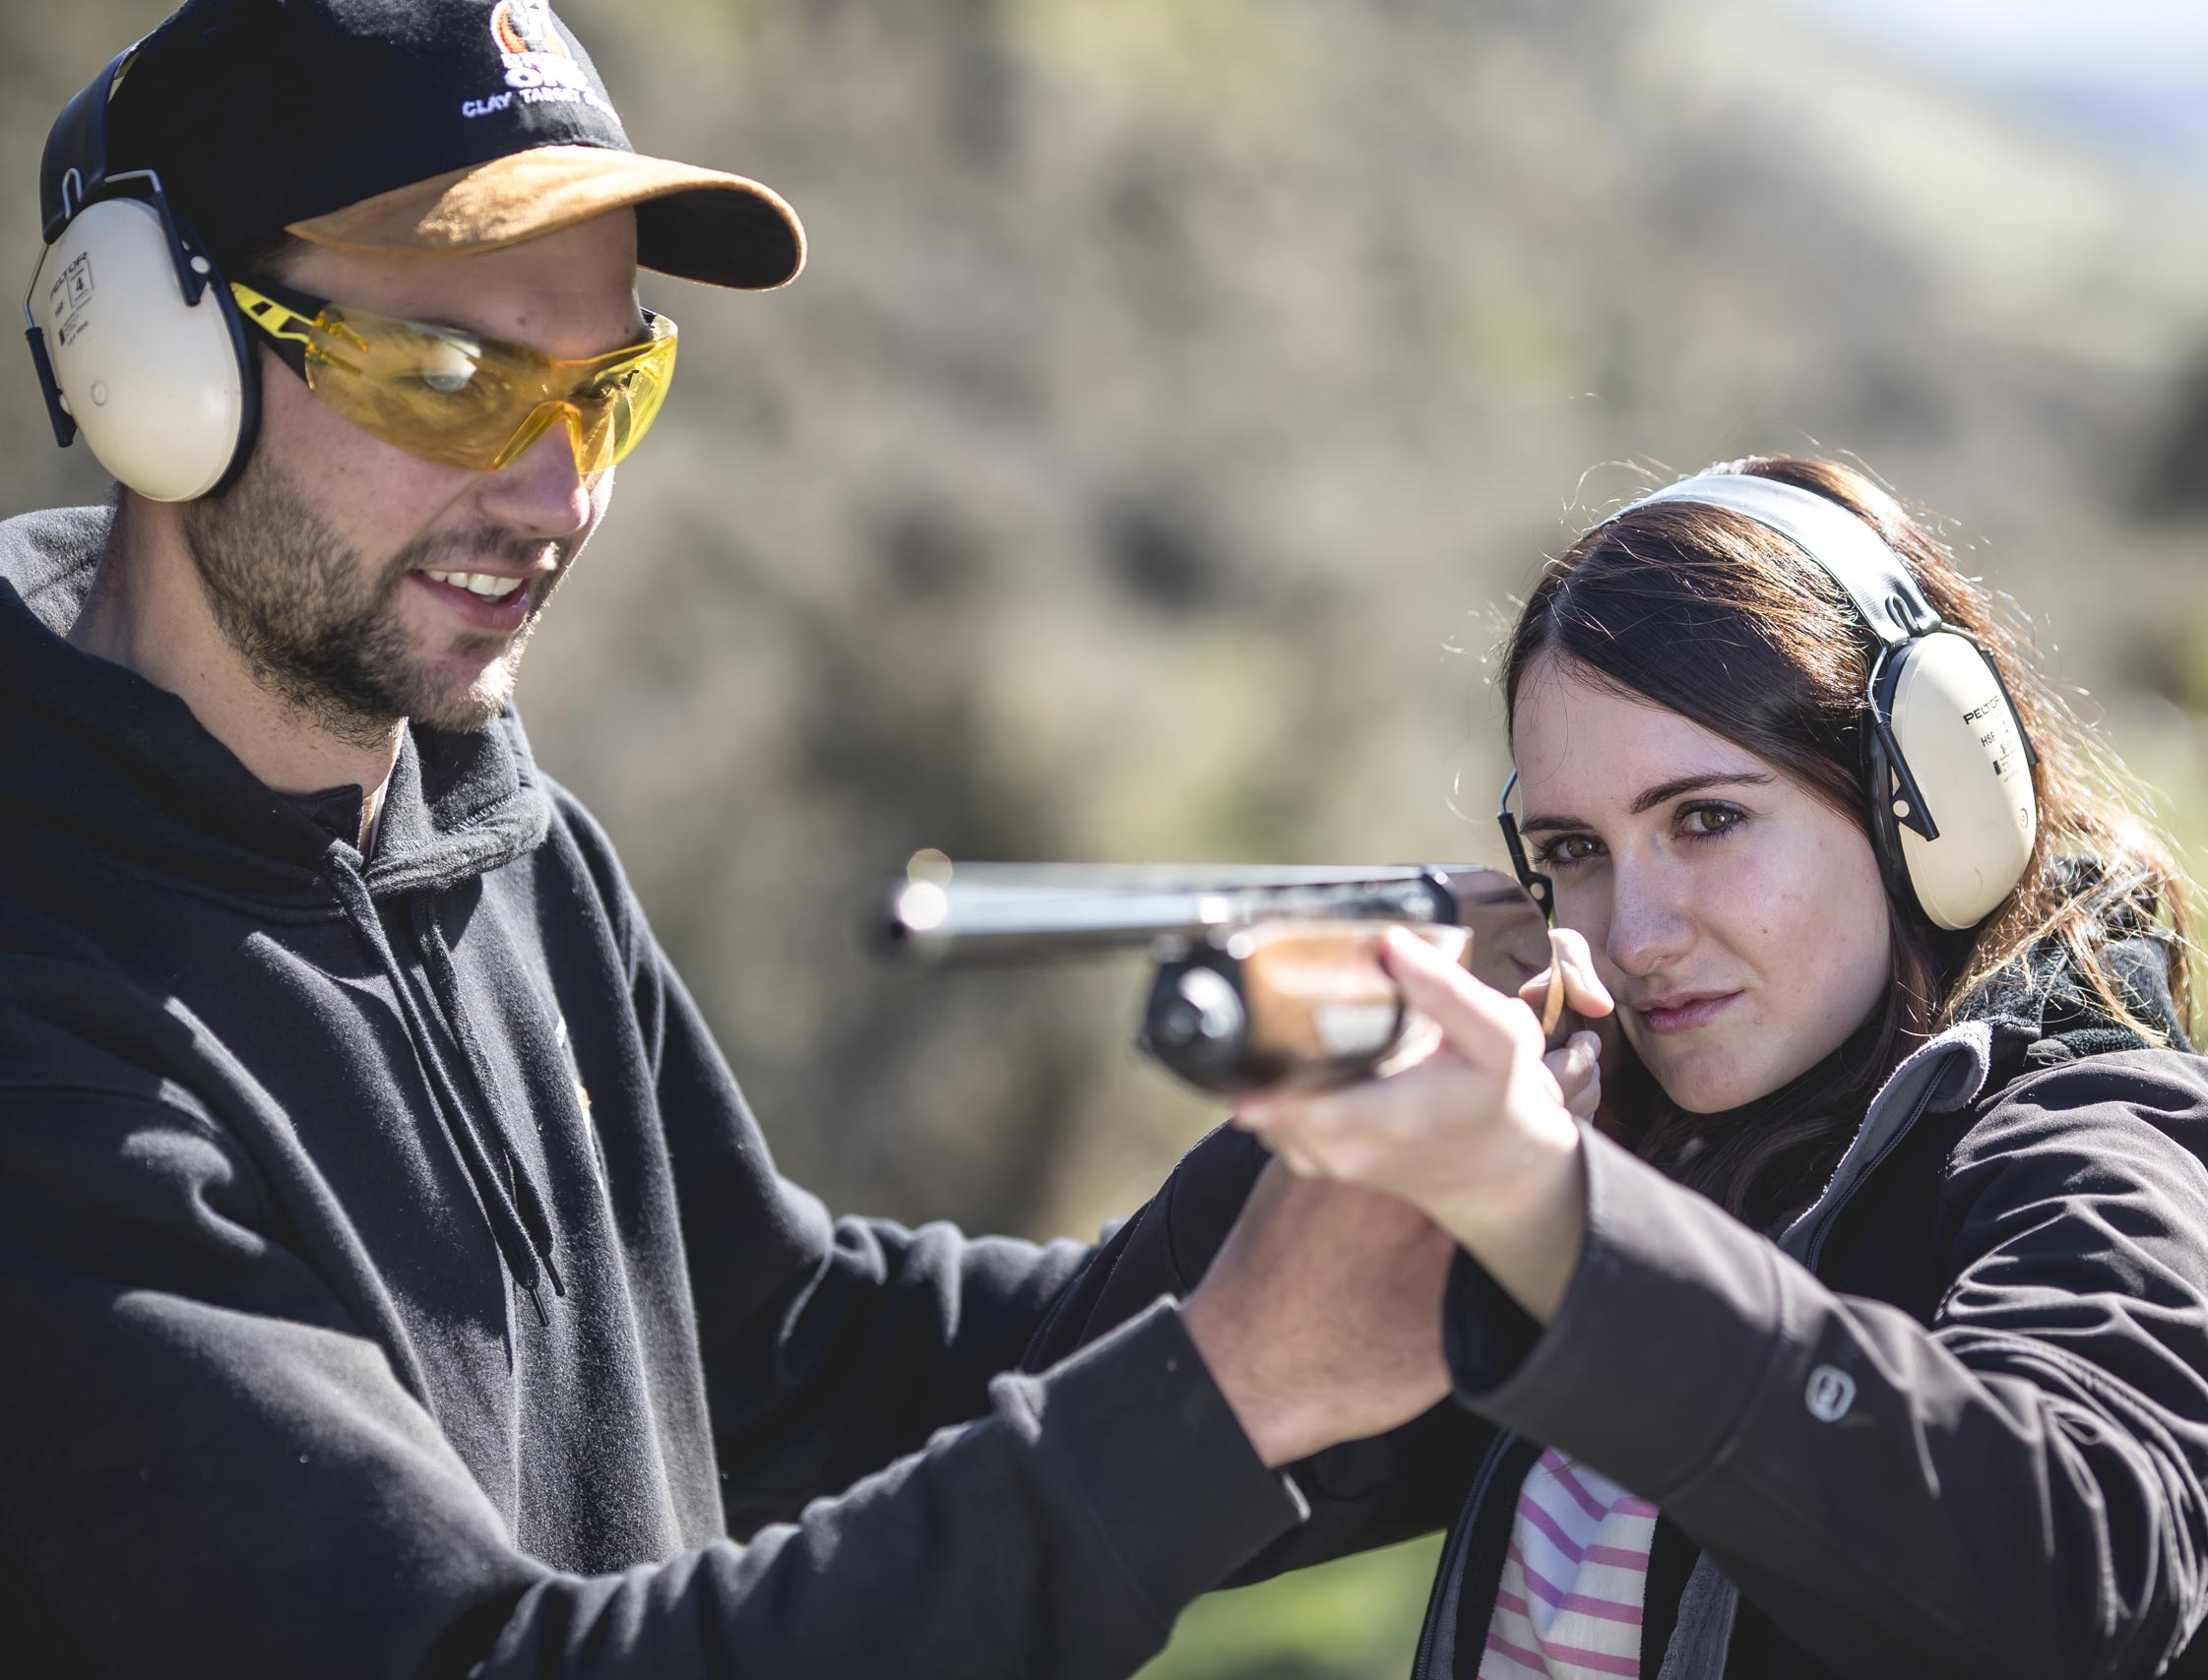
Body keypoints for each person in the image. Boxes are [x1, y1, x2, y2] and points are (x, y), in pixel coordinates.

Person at [0, 3, 1470, 1674]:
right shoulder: (41, 1034)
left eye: (606, 385)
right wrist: (1230, 1394)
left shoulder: (503, 841)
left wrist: (1420, 1222)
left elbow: (792, 1367)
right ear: (146, 351)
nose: (559, 496)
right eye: (454, 375)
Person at [1041, 455, 2208, 1679]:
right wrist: (1350, 1121)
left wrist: (1554, 1226)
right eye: (1575, 851)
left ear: (1936, 799)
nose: (1633, 935)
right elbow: (1063, 1382)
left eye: (1707, 819)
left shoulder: (2117, 1151)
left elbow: (2070, 1579)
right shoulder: (1658, 1151)